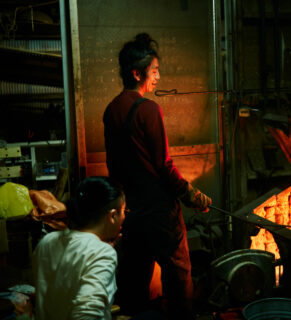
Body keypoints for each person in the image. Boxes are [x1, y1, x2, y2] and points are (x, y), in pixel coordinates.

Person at [103, 33, 212, 319]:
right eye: (154, 71)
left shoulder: (111, 110)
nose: (158, 77)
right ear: (137, 73)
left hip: (133, 211)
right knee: (178, 278)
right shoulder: (148, 109)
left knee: (134, 281)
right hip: (161, 214)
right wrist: (190, 194)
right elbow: (164, 165)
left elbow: (113, 166)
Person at [32, 176, 126, 320]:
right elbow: (87, 315)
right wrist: (102, 253)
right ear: (113, 215)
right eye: (124, 211)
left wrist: (100, 251)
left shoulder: (46, 242)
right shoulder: (102, 253)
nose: (124, 216)